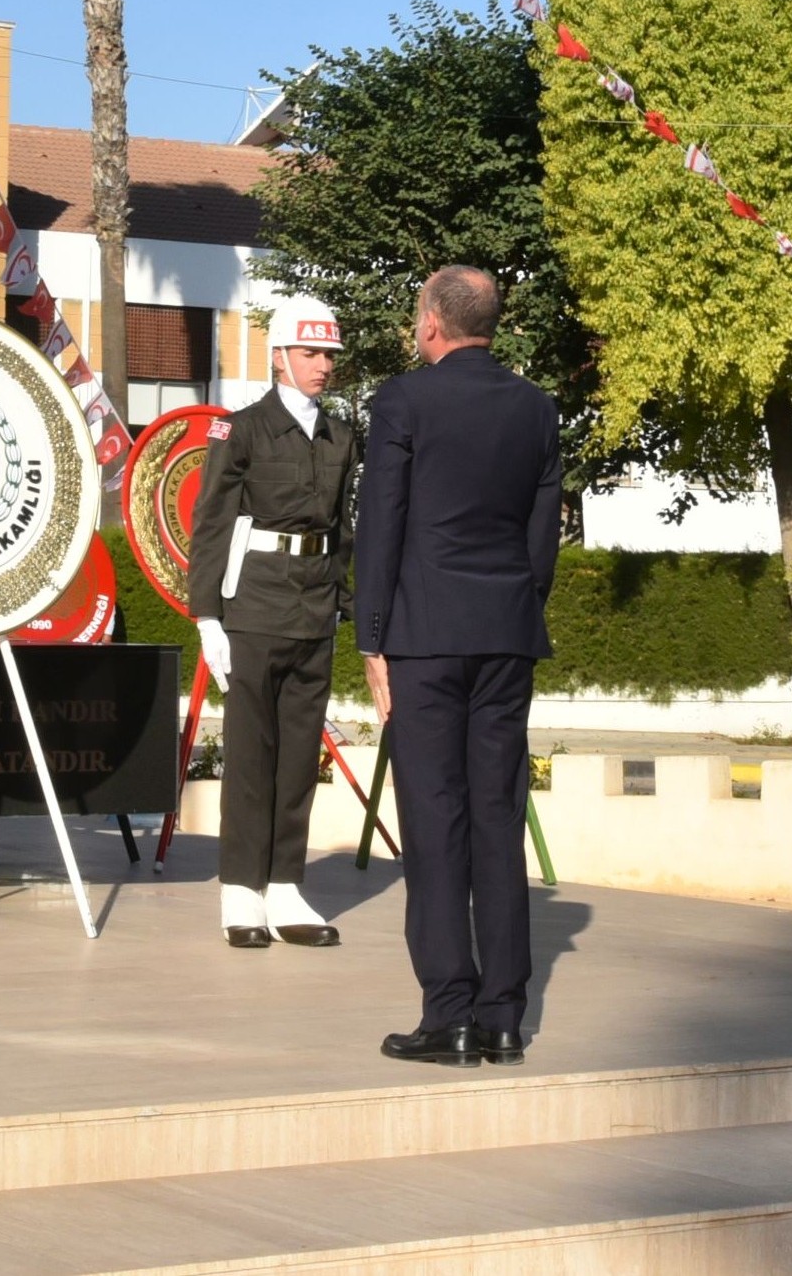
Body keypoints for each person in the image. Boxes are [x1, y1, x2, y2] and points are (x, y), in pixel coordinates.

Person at [353, 265, 561, 1067]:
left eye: (416, 317)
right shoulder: (537, 407)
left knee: (436, 821)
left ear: (433, 323)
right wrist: (516, 606)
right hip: (507, 631)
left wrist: (373, 638)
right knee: (497, 815)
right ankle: (504, 1015)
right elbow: (542, 535)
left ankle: (450, 1014)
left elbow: (383, 525)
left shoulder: (404, 401)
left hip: (426, 636)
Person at [188, 294, 358, 950]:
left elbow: (341, 530)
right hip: (254, 606)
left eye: (329, 356)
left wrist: (346, 605)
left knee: (298, 756)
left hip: (314, 606)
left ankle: (285, 885)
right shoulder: (242, 430)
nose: (323, 366)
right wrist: (207, 616)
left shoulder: (341, 435)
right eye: (312, 353)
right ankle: (240, 889)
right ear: (279, 357)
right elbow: (212, 525)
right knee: (252, 754)